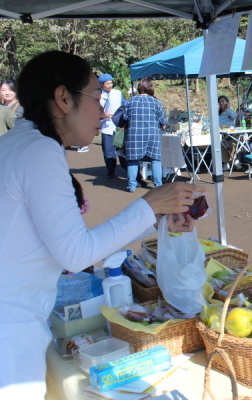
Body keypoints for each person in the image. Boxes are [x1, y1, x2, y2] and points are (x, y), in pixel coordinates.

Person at [0, 50, 204, 398]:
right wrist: (148, 202)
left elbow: (68, 241)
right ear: (63, 98)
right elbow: (76, 254)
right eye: (97, 97)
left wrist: (154, 217)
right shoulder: (38, 152)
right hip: (11, 329)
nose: (104, 109)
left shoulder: (18, 144)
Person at [123, 78, 167, 192]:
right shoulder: (156, 102)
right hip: (152, 134)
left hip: (134, 134)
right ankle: (158, 185)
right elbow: (163, 122)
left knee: (133, 160)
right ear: (150, 88)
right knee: (155, 160)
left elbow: (125, 118)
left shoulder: (131, 101)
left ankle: (132, 186)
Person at [98, 74, 125, 174]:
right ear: (102, 84)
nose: (110, 85)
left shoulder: (118, 93)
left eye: (111, 83)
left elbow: (124, 105)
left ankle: (125, 168)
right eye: (107, 83)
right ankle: (110, 171)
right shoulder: (98, 95)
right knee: (108, 151)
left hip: (118, 126)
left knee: (122, 149)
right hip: (106, 127)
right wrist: (103, 115)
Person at [218, 95, 241, 171]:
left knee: (232, 144)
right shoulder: (218, 113)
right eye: (220, 102)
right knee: (222, 144)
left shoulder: (230, 112)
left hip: (231, 134)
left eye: (223, 101)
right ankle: (226, 163)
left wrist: (227, 109)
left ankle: (235, 161)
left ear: (227, 102)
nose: (221, 103)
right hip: (222, 134)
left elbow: (235, 116)